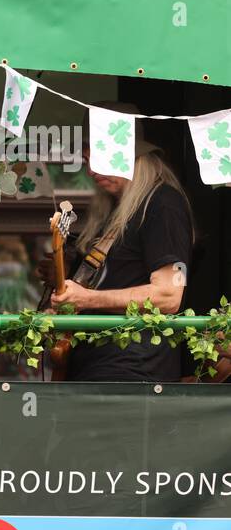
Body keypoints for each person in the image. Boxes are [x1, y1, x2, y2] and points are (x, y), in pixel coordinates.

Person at [52, 147, 194, 381]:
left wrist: (87, 299)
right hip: (95, 366)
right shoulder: (116, 210)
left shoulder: (164, 204)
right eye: (87, 160)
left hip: (132, 372)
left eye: (99, 157)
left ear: (133, 153)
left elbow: (169, 297)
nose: (91, 170)